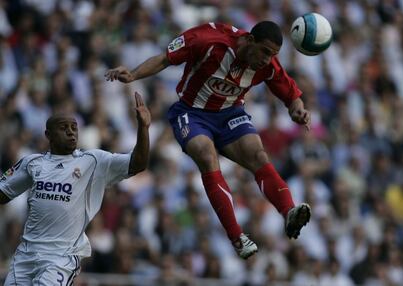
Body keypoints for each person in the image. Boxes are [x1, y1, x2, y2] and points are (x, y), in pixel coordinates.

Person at [105, 21, 311, 259]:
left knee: (258, 155)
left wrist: (298, 109)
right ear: (250, 41)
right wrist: (133, 74)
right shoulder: (208, 40)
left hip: (230, 113)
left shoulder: (267, 65)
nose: (267, 59)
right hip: (191, 112)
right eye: (265, 52)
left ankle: (289, 212)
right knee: (206, 153)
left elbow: (291, 95)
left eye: (273, 55)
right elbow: (165, 58)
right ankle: (237, 237)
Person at [0, 92, 151, 285]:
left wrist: (143, 128)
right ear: (48, 135)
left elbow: (138, 163)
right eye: (64, 128)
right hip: (25, 254)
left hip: (60, 257)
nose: (71, 132)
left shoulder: (93, 161)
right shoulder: (32, 163)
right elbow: (3, 194)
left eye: (74, 127)